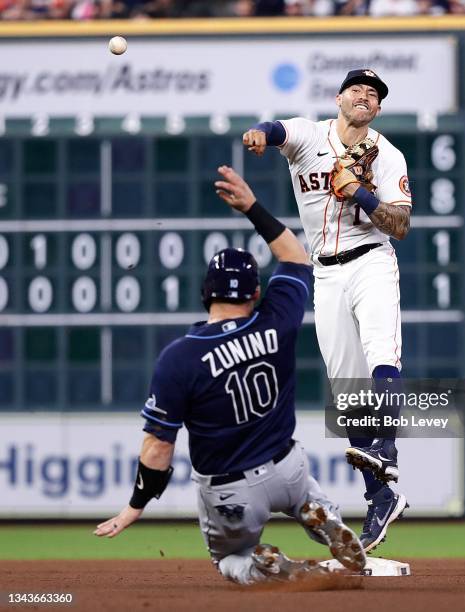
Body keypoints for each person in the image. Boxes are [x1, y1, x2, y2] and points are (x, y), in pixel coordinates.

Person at [94, 165, 365, 584]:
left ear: (206, 293)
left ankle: (261, 563)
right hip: (288, 467)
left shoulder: (180, 357)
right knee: (304, 492)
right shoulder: (276, 320)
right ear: (256, 293)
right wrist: (252, 207)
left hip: (232, 492)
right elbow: (295, 256)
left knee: (229, 560)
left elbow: (157, 449)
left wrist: (136, 504)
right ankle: (318, 513)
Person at [242, 68, 411, 552]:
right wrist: (259, 136)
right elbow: (276, 132)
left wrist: (358, 191)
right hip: (326, 272)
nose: (365, 96)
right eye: (357, 89)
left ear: (377, 109)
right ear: (339, 98)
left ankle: (387, 451)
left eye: (374, 94)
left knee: (383, 353)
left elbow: (399, 224)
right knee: (348, 393)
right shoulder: (309, 134)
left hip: (371, 259)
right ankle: (381, 497)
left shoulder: (387, 153)